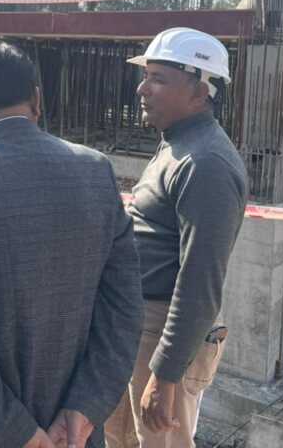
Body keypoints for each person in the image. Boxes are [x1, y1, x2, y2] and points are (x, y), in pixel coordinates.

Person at [0, 38, 143, 448]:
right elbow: (123, 308)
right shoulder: (94, 170)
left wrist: (14, 430)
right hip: (72, 428)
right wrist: (87, 406)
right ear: (37, 99)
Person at [105, 28, 248, 448]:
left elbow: (200, 281)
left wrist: (165, 374)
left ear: (200, 92)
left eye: (158, 79)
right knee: (121, 439)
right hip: (138, 324)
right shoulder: (177, 144)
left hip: (163, 331)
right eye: (145, 76)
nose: (142, 89)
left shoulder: (206, 163)